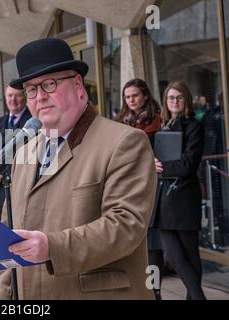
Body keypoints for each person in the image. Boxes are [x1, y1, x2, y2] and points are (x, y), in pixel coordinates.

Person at [0, 38, 157, 299]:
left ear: (78, 85)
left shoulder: (124, 142)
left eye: (50, 84)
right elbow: (7, 237)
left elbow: (126, 226)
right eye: (31, 89)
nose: (40, 96)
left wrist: (51, 247)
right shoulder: (23, 152)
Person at [152, 81, 206, 300]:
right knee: (174, 257)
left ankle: (194, 297)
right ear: (165, 101)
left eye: (179, 97)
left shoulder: (194, 125)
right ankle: (198, 296)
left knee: (191, 255)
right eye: (170, 98)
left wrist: (162, 166)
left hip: (184, 197)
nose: (174, 101)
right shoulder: (163, 125)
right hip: (164, 197)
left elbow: (189, 163)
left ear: (186, 100)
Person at [115, 78, 163, 299]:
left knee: (152, 246)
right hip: (125, 188)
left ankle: (156, 291)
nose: (131, 100)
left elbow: (163, 154)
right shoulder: (119, 123)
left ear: (145, 95)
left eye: (135, 95)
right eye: (127, 96)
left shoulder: (158, 123)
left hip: (153, 187)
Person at [0, 85, 32, 217]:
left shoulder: (34, 122)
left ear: (25, 97)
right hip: (2, 192)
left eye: (17, 95)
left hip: (24, 191)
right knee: (5, 235)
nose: (13, 99)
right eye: (9, 95)